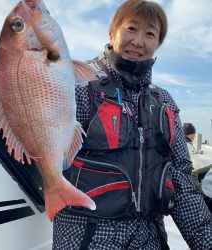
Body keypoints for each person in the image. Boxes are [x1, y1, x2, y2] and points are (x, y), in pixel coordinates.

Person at [52, 1, 212, 249]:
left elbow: (180, 178)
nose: (138, 41)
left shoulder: (164, 101)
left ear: (157, 43)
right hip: (89, 236)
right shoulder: (79, 84)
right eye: (131, 28)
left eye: (150, 33)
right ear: (112, 33)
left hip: (149, 237)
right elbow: (28, 102)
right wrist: (18, 55)